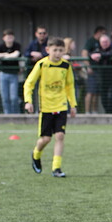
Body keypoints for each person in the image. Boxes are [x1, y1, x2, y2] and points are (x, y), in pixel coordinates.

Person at [23, 36, 77, 178]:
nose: (58, 53)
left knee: (60, 135)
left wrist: (73, 104)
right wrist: (28, 101)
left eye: (61, 50)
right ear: (48, 50)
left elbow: (70, 86)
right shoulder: (42, 65)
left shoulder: (66, 66)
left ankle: (56, 168)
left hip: (61, 105)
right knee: (46, 139)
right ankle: (36, 154)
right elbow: (29, 83)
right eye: (55, 50)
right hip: (46, 107)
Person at [0, 28, 22, 114]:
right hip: (3, 74)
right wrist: (5, 54)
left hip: (14, 74)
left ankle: (16, 115)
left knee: (14, 98)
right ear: (4, 38)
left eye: (11, 37)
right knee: (5, 98)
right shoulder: (1, 46)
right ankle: (7, 116)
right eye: (7, 37)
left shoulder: (17, 45)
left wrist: (3, 56)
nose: (9, 39)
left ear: (13, 38)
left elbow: (16, 54)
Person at [81, 26, 106, 114]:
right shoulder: (91, 41)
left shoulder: (101, 42)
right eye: (103, 33)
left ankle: (94, 110)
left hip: (99, 71)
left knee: (96, 92)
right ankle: (87, 111)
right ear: (98, 32)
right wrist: (88, 66)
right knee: (90, 91)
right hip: (92, 71)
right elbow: (84, 53)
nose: (104, 35)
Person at [94, 33, 112, 114]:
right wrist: (94, 56)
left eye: (106, 42)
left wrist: (100, 55)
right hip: (102, 78)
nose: (104, 43)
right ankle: (107, 112)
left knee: (111, 97)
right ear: (100, 43)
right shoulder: (97, 49)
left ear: (109, 42)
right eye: (103, 42)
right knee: (103, 97)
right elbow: (91, 54)